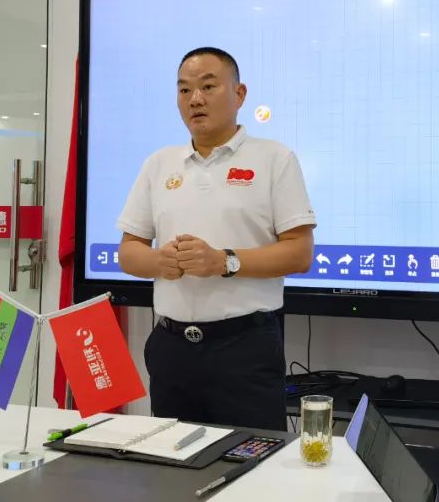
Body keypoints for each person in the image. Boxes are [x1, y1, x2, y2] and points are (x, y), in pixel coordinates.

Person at [117, 47, 315, 431]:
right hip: (172, 348)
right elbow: (128, 252)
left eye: (208, 86)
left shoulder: (275, 159)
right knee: (173, 459)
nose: (195, 99)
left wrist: (223, 262)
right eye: (184, 90)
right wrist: (159, 261)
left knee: (251, 458)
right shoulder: (158, 164)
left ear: (239, 94)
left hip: (244, 348)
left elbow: (300, 252)